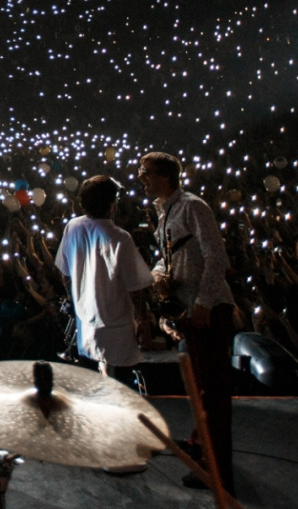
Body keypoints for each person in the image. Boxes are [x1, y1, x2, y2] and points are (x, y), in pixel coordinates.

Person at [138, 151, 236, 494]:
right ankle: (202, 449)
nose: (141, 177)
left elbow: (216, 256)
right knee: (201, 388)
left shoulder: (193, 206)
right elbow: (170, 257)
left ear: (165, 176)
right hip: (190, 310)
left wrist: (203, 303)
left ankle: (219, 471)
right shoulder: (164, 212)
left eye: (146, 172)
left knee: (212, 392)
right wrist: (158, 276)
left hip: (207, 310)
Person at [54, 175, 154, 474]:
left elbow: (64, 271)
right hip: (116, 323)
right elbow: (136, 286)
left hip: (87, 319)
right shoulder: (119, 237)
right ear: (112, 203)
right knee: (116, 390)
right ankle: (116, 457)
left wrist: (78, 298)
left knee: (99, 385)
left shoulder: (73, 226)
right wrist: (143, 320)